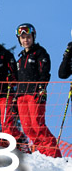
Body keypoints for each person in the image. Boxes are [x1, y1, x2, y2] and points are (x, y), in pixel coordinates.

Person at [15, 23, 61, 158]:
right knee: (28, 128)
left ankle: (54, 154)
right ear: (19, 40)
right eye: (22, 38)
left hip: (35, 94)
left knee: (38, 125)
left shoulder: (40, 53)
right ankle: (42, 154)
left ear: (33, 37)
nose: (26, 40)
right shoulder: (20, 58)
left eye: (28, 37)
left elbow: (45, 73)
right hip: (21, 95)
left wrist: (41, 89)